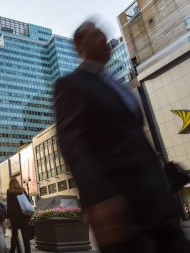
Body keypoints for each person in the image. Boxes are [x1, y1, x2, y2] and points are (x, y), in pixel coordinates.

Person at [53, 20, 190, 253]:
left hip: (157, 199)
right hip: (122, 207)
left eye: (103, 35)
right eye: (95, 35)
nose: (104, 39)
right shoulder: (71, 84)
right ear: (80, 46)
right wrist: (99, 199)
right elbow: (72, 144)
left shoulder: (115, 83)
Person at [7, 178, 31, 253]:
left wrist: (9, 218)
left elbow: (9, 206)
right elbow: (28, 201)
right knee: (25, 236)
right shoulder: (22, 190)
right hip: (24, 216)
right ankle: (28, 251)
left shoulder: (9, 191)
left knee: (14, 235)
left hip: (15, 217)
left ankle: (13, 251)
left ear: (10, 184)